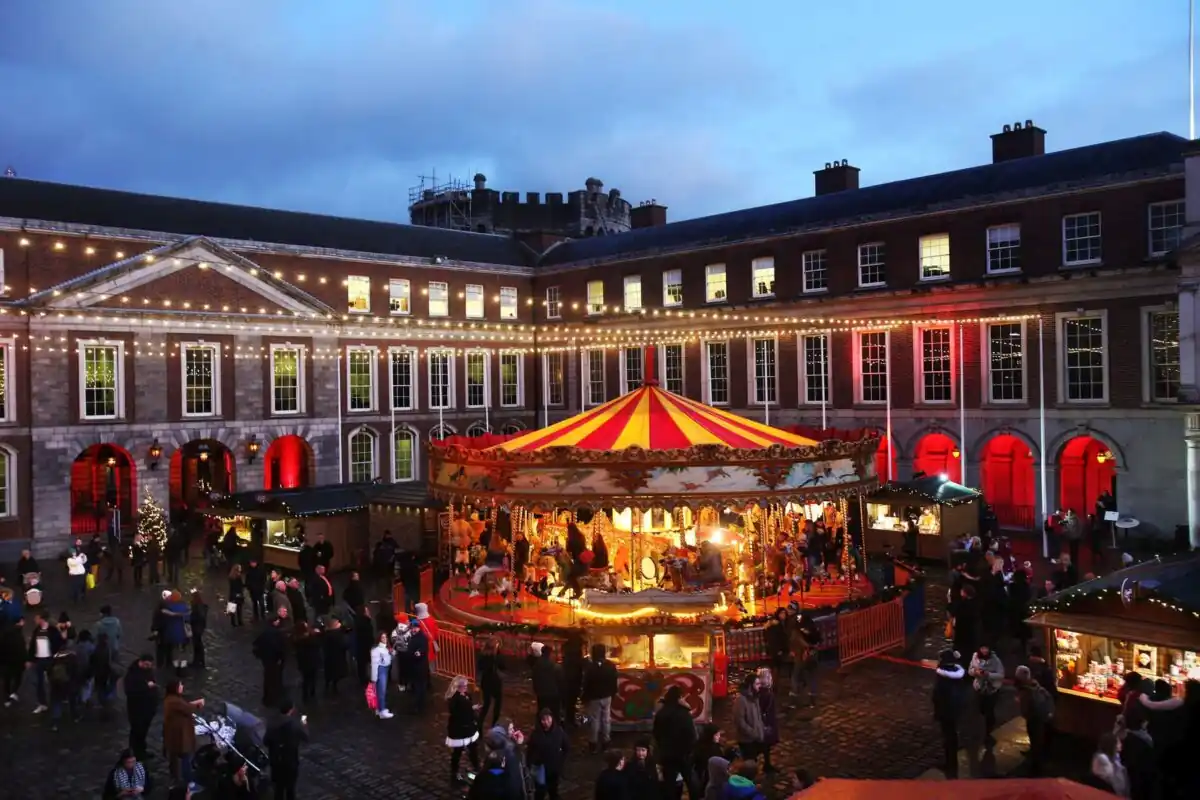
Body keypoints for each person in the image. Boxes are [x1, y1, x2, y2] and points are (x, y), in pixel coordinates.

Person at [653, 685, 698, 800]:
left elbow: (656, 734)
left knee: (669, 783)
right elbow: (692, 735)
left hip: (667, 754)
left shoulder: (661, 713)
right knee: (690, 780)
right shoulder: (684, 714)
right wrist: (689, 750)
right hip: (684, 754)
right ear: (679, 698)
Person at [162, 679, 204, 789]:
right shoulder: (173, 701)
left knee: (176, 759)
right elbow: (186, 708)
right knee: (185, 759)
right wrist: (198, 704)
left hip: (176, 735)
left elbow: (184, 706)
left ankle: (177, 780)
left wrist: (194, 703)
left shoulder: (172, 700)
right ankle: (188, 782)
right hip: (179, 737)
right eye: (180, 685)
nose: (182, 687)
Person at [264, 699, 309, 800]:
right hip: (290, 764)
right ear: (291, 710)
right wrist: (304, 724)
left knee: (278, 791)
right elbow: (306, 737)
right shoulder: (296, 725)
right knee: (290, 791)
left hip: (276, 763)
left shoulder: (272, 724)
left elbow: (265, 741)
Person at [1014, 664, 1054, 776]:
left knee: (1036, 739)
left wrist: (1022, 706)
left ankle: (1037, 766)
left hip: (1035, 718)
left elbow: (1029, 706)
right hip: (1037, 717)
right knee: (1035, 738)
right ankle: (1036, 759)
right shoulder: (1034, 686)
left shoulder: (1028, 690)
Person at [931, 649, 966, 778]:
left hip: (946, 712)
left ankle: (950, 763)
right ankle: (952, 761)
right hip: (955, 710)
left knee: (948, 737)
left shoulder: (943, 678)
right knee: (952, 735)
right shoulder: (958, 676)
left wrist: (938, 711)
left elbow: (938, 696)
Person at [581, 642, 618, 752]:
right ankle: (606, 741)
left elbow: (586, 683)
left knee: (594, 721)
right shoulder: (611, 666)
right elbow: (614, 681)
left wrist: (584, 697)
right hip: (607, 697)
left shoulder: (590, 667)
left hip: (594, 698)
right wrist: (613, 693)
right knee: (606, 719)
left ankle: (593, 743)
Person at [445, 674, 482, 784]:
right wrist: (471, 711)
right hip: (460, 730)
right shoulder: (455, 700)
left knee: (473, 749)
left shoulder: (465, 696)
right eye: (464, 686)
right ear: (458, 687)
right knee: (458, 752)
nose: (466, 688)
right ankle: (454, 774)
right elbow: (460, 713)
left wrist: (472, 708)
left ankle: (477, 768)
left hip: (467, 728)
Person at [27, 610, 64, 713]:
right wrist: (30, 659)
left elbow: (59, 643)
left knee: (53, 682)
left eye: (37, 618)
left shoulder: (52, 631)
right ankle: (42, 703)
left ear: (42, 619)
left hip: (50, 659)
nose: (35, 620)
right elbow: (32, 645)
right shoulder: (37, 630)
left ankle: (55, 701)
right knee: (39, 682)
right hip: (39, 660)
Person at [529, 706, 569, 800]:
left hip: (554, 768)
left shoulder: (559, 732)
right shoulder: (536, 734)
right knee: (539, 792)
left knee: (553, 791)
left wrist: (561, 761)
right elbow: (530, 750)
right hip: (540, 769)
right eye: (543, 720)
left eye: (548, 719)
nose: (546, 722)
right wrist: (531, 764)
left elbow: (566, 747)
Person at [968, 644, 1004, 746]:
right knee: (978, 710)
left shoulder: (995, 660)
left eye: (986, 648)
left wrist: (988, 674)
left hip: (990, 690)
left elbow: (1001, 675)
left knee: (989, 712)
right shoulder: (975, 656)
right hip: (979, 688)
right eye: (982, 648)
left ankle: (988, 733)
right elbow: (970, 670)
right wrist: (975, 672)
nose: (984, 650)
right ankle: (978, 732)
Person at [123, 654, 158, 758]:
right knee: (136, 731)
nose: (149, 667)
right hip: (137, 709)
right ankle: (134, 753)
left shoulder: (147, 672)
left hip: (148, 708)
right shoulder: (132, 674)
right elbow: (130, 691)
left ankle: (141, 751)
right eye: (147, 664)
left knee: (143, 732)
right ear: (141, 662)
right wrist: (146, 687)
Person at [252, 610, 288, 707]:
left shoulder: (265, 632)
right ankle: (274, 697)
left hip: (266, 659)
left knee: (268, 678)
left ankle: (268, 698)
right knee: (275, 679)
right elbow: (280, 647)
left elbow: (256, 644)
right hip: (275, 660)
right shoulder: (276, 633)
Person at [47, 639, 81, 731]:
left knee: (56, 701)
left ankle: (55, 722)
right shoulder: (72, 657)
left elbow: (49, 670)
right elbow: (76, 672)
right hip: (69, 683)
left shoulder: (55, 657)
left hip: (56, 683)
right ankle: (75, 717)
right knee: (72, 700)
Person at [789, 612, 821, 707]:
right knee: (812, 678)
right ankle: (812, 701)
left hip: (801, 657)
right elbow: (818, 640)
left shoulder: (797, 631)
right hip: (812, 656)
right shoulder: (813, 629)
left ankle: (794, 700)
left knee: (795, 678)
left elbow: (795, 641)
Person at [733, 673, 764, 765]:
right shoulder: (741, 700)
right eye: (757, 684)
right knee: (749, 763)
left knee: (754, 761)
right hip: (746, 740)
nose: (760, 686)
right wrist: (753, 732)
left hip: (755, 738)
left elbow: (758, 716)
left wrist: (760, 730)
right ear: (751, 685)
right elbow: (740, 721)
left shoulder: (755, 698)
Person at [477, 636, 506, 730]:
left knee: (486, 705)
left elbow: (480, 667)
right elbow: (503, 666)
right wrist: (497, 655)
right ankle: (493, 725)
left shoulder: (483, 655)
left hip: (485, 682)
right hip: (494, 683)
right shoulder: (494, 657)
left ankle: (479, 725)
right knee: (497, 705)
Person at [753, 667, 779, 772]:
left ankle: (766, 764)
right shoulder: (767, 694)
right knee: (764, 745)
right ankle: (762, 765)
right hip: (766, 723)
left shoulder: (758, 692)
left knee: (765, 746)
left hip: (761, 723)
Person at [1091, 731, 1128, 796]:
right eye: (1118, 742)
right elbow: (1110, 779)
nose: (1121, 744)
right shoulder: (1101, 758)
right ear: (1112, 744)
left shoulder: (1116, 758)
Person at [292, 621, 321, 703]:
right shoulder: (309, 639)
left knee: (306, 679)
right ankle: (312, 693)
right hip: (312, 661)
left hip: (303, 662)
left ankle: (305, 695)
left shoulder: (297, 639)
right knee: (313, 678)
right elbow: (317, 644)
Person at [1, 616, 25, 706]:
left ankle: (8, 697)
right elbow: (21, 647)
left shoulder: (6, 633)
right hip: (15, 660)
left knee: (7, 680)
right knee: (16, 678)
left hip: (7, 661)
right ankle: (12, 693)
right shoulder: (17, 633)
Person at [693, 724, 723, 795]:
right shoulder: (710, 749)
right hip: (706, 778)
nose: (719, 737)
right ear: (710, 735)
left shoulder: (713, 746)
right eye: (716, 735)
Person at [322, 616, 349, 695]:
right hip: (338, 657)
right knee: (336, 673)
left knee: (329, 673)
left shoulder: (326, 634)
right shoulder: (338, 635)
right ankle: (334, 687)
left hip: (329, 657)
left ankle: (327, 686)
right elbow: (344, 644)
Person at [370, 631, 394, 719]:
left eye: (385, 637)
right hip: (381, 670)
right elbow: (374, 664)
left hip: (384, 669)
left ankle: (380, 709)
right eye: (383, 637)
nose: (385, 639)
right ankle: (382, 710)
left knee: (381, 691)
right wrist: (374, 678)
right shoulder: (376, 650)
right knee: (381, 691)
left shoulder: (385, 648)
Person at [189, 591, 208, 669]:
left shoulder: (197, 606)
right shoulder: (201, 606)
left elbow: (198, 617)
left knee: (197, 645)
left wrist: (190, 618)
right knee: (197, 645)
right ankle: (198, 661)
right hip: (199, 627)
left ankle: (198, 661)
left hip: (197, 627)